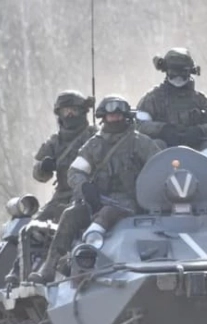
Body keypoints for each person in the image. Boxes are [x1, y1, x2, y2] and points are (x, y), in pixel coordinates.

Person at [28, 95, 162, 284]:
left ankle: (91, 243)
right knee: (70, 215)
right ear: (103, 118)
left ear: (125, 117)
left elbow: (159, 166)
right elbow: (75, 171)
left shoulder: (140, 143)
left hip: (129, 202)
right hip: (98, 200)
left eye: (118, 116)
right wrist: (84, 187)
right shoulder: (94, 145)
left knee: (107, 214)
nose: (114, 119)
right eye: (110, 116)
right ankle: (49, 269)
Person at [135, 47, 207, 159]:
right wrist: (162, 129)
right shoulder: (152, 99)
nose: (178, 77)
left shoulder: (200, 100)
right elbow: (139, 126)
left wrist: (199, 131)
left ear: (190, 72)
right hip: (163, 153)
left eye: (183, 72)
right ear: (166, 71)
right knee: (155, 146)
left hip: (195, 151)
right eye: (174, 72)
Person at [31, 90, 97, 222]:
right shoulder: (55, 141)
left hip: (88, 194)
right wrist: (43, 168)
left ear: (83, 112)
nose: (70, 115)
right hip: (61, 196)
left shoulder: (94, 137)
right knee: (35, 226)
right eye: (65, 111)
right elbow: (38, 175)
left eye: (74, 110)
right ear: (59, 114)